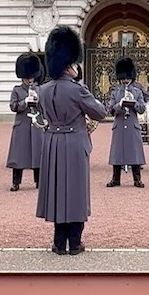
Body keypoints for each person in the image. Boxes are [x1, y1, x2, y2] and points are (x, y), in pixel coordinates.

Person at [35, 26, 109, 255]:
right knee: (75, 192)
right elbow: (100, 112)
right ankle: (75, 243)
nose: (77, 68)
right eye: (75, 64)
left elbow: (42, 113)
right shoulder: (79, 90)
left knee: (57, 191)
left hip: (52, 143)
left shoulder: (43, 90)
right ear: (69, 66)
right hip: (75, 143)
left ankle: (59, 242)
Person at [105, 57, 148, 188]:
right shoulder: (115, 92)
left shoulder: (137, 92)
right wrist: (120, 104)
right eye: (123, 79)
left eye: (128, 78)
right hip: (119, 126)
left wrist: (133, 102)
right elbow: (110, 110)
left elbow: (141, 109)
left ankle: (137, 179)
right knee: (117, 154)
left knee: (134, 153)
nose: (125, 81)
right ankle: (116, 179)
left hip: (132, 125)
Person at [7, 53, 46, 192]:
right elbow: (13, 106)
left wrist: (38, 101)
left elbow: (45, 107)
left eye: (31, 77)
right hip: (22, 125)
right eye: (27, 77)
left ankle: (39, 181)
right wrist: (24, 102)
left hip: (36, 125)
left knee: (38, 154)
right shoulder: (17, 90)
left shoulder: (40, 90)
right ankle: (16, 182)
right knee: (19, 155)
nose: (30, 80)